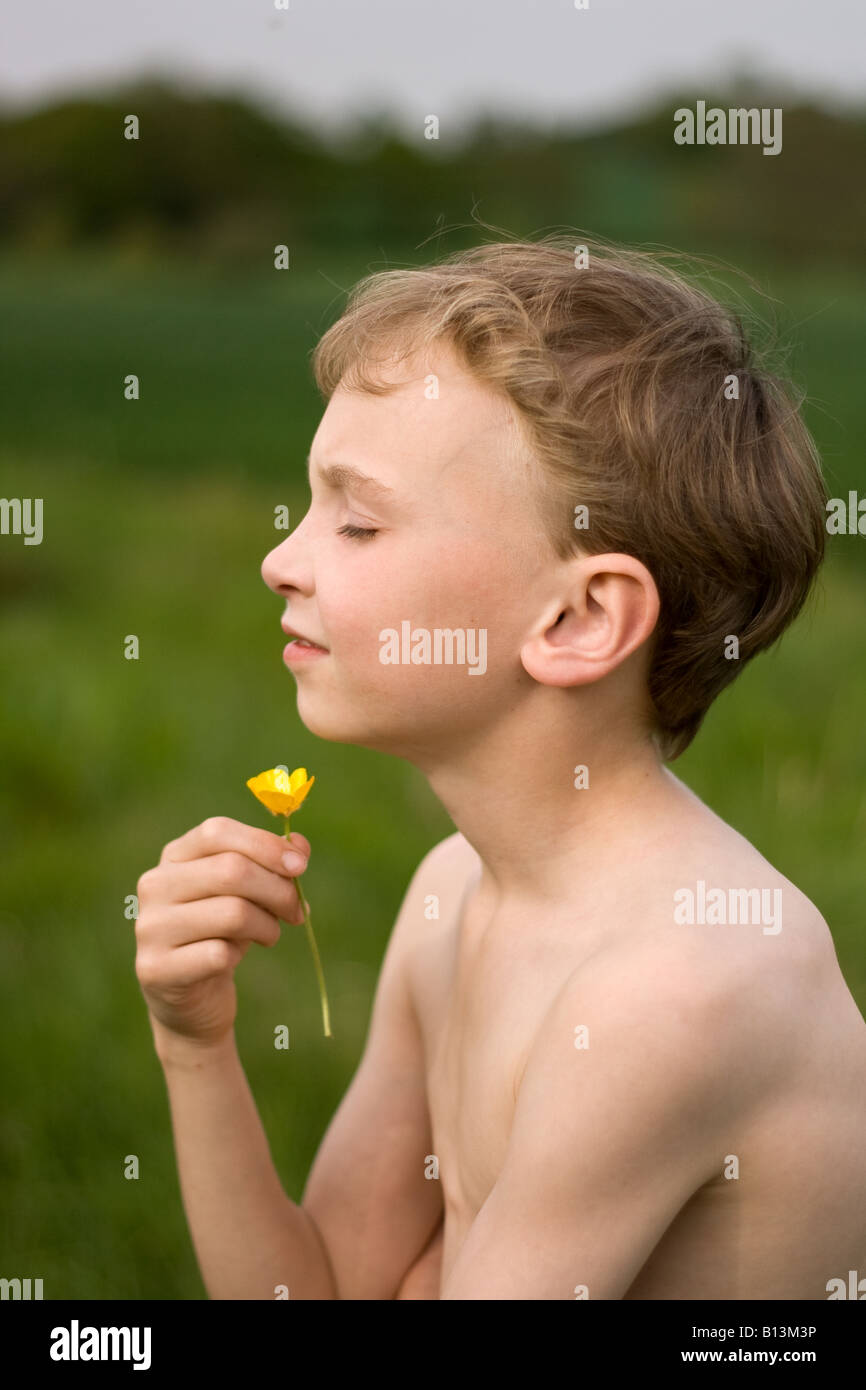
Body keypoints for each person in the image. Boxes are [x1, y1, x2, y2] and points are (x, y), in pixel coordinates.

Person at [135, 234, 866, 1299]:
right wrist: (193, 1047)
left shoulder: (671, 992)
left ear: (576, 617)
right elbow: (321, 1286)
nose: (280, 560)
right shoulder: (453, 894)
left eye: (357, 520)